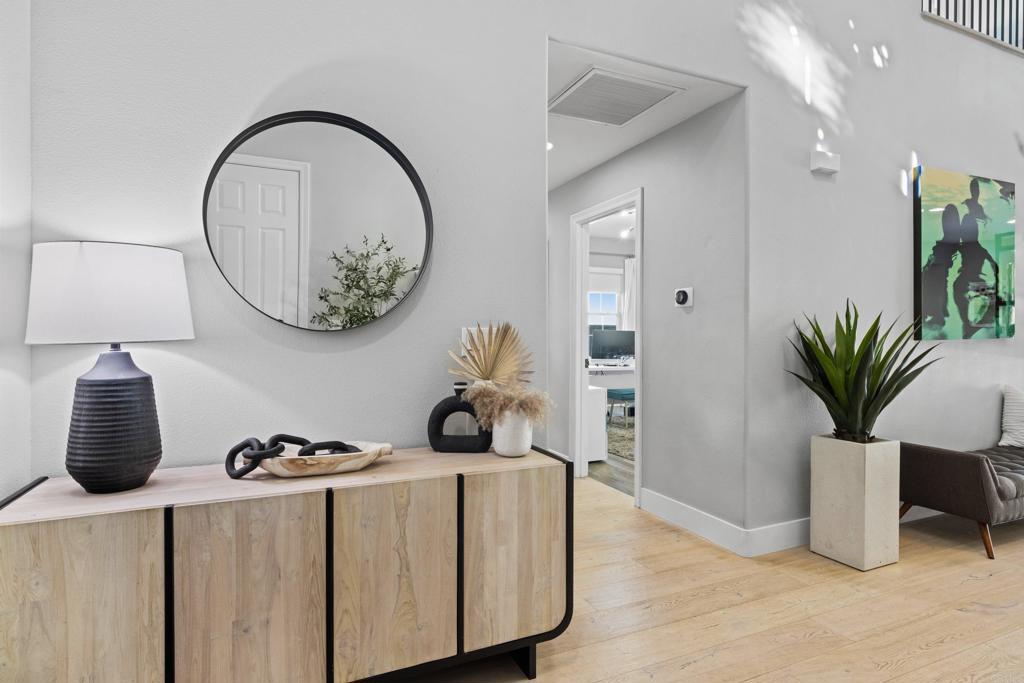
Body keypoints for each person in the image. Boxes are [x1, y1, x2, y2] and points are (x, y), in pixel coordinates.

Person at [954, 212, 999, 338]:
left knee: (992, 299)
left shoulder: (970, 247)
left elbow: (994, 265)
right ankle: (969, 324)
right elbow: (994, 264)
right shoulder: (976, 248)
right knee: (990, 298)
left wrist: (997, 280)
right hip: (969, 280)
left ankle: (970, 324)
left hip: (970, 281)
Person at [921, 204, 961, 332]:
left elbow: (942, 260)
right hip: (937, 272)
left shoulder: (949, 242)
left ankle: (937, 316)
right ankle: (936, 315)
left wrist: (931, 262)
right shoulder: (951, 241)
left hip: (937, 272)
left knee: (935, 291)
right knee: (936, 291)